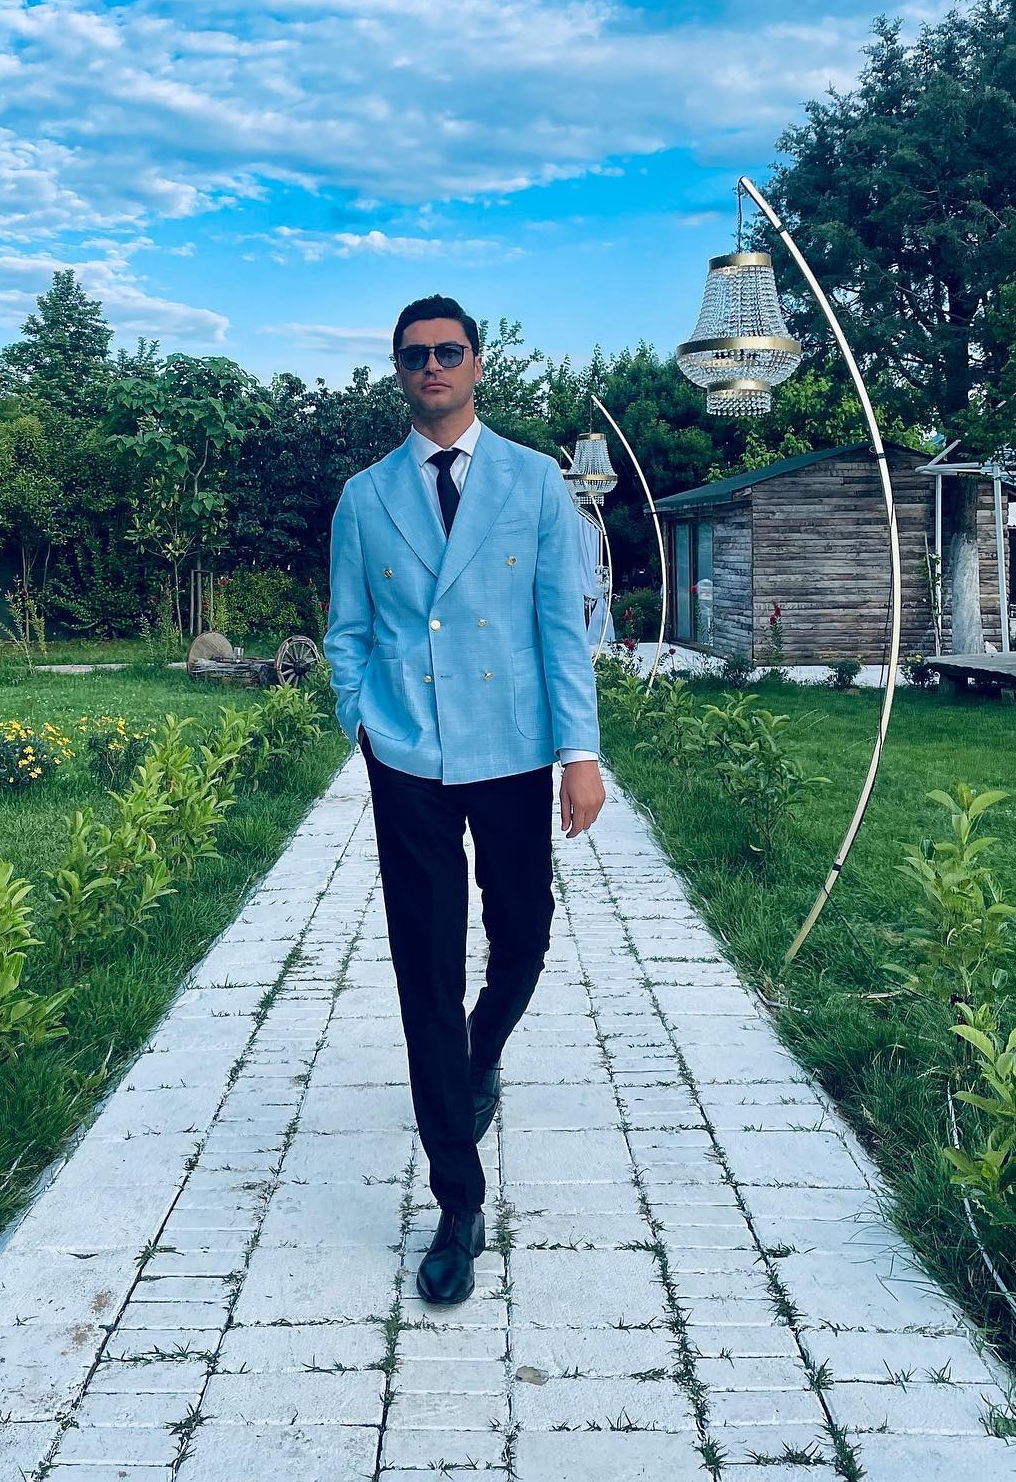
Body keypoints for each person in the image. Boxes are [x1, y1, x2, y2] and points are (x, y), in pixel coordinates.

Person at [323, 295, 605, 1305]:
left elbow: (562, 627)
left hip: (515, 746)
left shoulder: (536, 483)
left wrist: (580, 753)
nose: (432, 367)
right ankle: (457, 1200)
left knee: (524, 935)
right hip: (409, 755)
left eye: (448, 352)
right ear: (398, 372)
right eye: (414, 356)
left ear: (478, 365)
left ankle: (479, 1055)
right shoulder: (365, 497)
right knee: (425, 971)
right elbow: (347, 630)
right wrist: (361, 719)